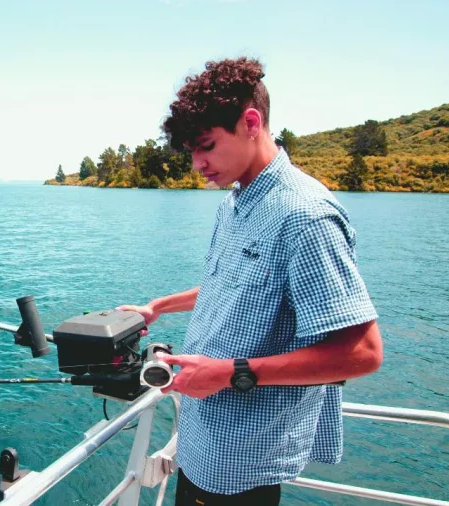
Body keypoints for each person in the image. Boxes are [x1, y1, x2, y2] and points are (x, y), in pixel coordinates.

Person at [117, 57, 383, 505]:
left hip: (243, 457)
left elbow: (362, 353)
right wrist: (158, 307)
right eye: (191, 151)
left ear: (251, 123)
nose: (197, 164)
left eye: (206, 146)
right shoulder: (235, 203)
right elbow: (236, 286)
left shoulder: (306, 216)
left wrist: (230, 374)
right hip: (200, 441)